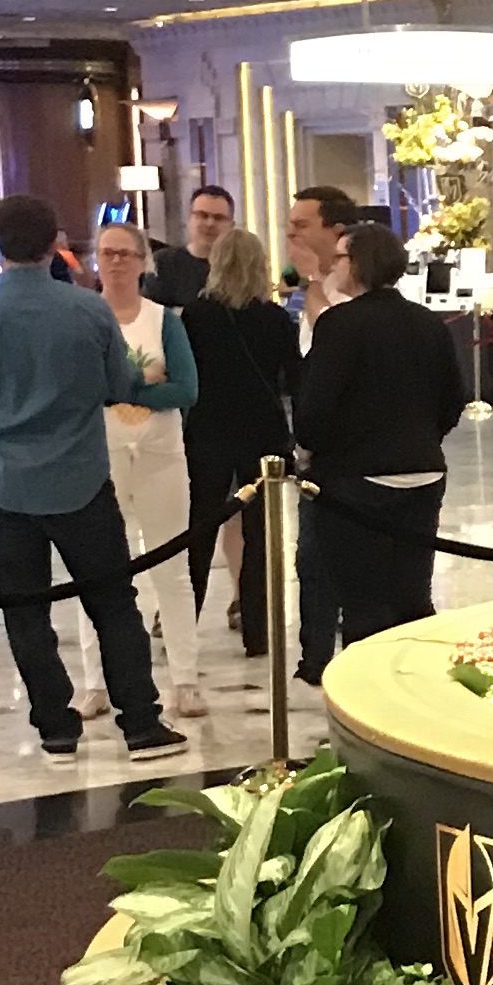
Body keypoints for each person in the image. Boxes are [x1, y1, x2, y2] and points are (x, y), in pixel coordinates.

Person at [0, 193, 181, 760]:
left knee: (25, 610)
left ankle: (55, 725)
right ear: (55, 244)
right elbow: (118, 387)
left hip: (4, 482)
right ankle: (140, 723)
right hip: (80, 477)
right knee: (113, 604)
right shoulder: (90, 311)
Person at [294, 219, 467, 645]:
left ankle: (366, 683)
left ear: (358, 263)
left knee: (363, 605)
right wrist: (422, 439)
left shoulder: (340, 324)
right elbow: (453, 399)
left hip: (358, 480)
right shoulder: (428, 322)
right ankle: (414, 676)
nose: (334, 265)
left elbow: (314, 410)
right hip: (423, 472)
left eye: (340, 257)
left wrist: (312, 449)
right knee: (412, 599)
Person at [70, 215, 207, 719]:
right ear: (96, 261)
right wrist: (141, 382)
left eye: (125, 253)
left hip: (159, 454)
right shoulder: (84, 317)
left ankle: (185, 679)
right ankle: (95, 681)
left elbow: (186, 389)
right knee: (98, 570)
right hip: (100, 455)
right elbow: (79, 388)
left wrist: (124, 390)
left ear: (142, 261)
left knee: (172, 567)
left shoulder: (163, 320)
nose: (116, 262)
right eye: (107, 253)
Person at [181, 227, 299, 660]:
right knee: (259, 536)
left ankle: (183, 627)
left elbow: (188, 377)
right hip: (262, 433)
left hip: (208, 432)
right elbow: (293, 379)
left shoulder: (196, 315)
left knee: (198, 530)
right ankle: (257, 631)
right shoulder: (275, 319)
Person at [285, 185, 363, 683]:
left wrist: (312, 283)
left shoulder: (352, 287)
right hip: (315, 445)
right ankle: (313, 657)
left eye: (302, 225)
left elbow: (336, 332)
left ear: (335, 231)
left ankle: (358, 653)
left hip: (355, 449)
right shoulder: (311, 287)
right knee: (310, 557)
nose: (291, 233)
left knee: (350, 556)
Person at [152, 181, 237, 306]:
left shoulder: (242, 267)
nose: (210, 223)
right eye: (203, 215)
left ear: (231, 226)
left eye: (218, 218)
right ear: (189, 219)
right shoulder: (163, 263)